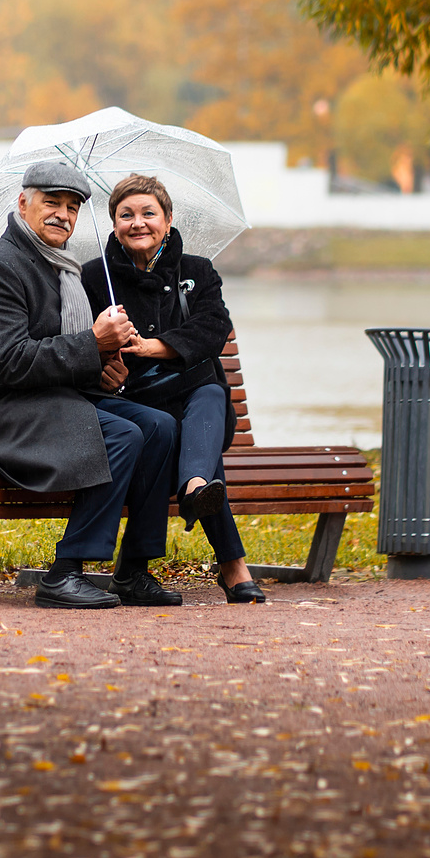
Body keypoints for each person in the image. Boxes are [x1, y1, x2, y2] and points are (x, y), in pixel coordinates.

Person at [0, 161, 183, 609]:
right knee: (121, 433)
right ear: (23, 203)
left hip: (55, 399)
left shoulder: (61, 268)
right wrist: (91, 343)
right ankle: (65, 572)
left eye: (72, 206)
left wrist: (101, 366)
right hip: (4, 409)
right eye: (51, 202)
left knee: (159, 426)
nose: (63, 214)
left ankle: (134, 570)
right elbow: (12, 364)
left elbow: (60, 352)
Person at [83, 173, 268, 604]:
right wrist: (103, 364)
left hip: (196, 404)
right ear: (114, 224)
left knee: (208, 395)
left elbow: (214, 327)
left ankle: (192, 491)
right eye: (126, 215)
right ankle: (221, 544)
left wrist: (154, 347)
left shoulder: (197, 271)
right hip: (137, 406)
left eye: (149, 213)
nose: (138, 223)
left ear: (167, 219)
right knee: (172, 433)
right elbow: (78, 336)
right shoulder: (95, 277)